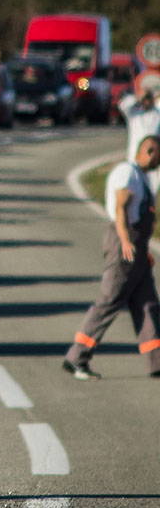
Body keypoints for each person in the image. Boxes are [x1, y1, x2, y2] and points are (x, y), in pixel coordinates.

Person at [64, 135, 160, 379]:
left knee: (148, 306)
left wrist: (143, 251)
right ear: (148, 151)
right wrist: (127, 242)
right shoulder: (127, 173)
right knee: (109, 300)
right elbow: (121, 207)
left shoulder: (141, 176)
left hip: (136, 249)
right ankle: (77, 358)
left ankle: (157, 362)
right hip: (123, 244)